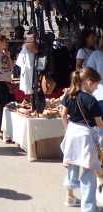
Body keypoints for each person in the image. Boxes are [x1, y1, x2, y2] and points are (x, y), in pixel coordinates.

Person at [60, 67, 103, 210]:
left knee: (72, 166)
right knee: (89, 171)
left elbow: (63, 115)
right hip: (85, 136)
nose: (97, 88)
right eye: (96, 85)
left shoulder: (69, 94)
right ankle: (89, 207)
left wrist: (67, 130)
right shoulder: (91, 100)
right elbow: (99, 123)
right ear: (89, 82)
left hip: (72, 131)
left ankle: (69, 197)